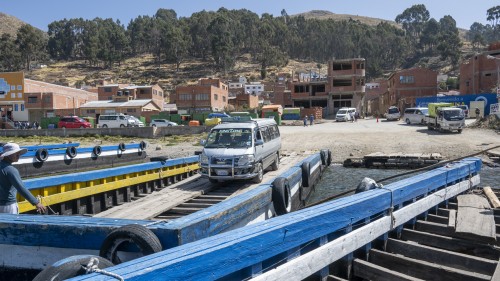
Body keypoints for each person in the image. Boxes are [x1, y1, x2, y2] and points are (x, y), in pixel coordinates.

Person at [0, 143, 46, 214]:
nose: (18, 155)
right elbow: (21, 188)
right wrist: (36, 202)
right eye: (15, 153)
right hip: (8, 206)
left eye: (19, 153)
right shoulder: (11, 170)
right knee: (10, 225)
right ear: (8, 155)